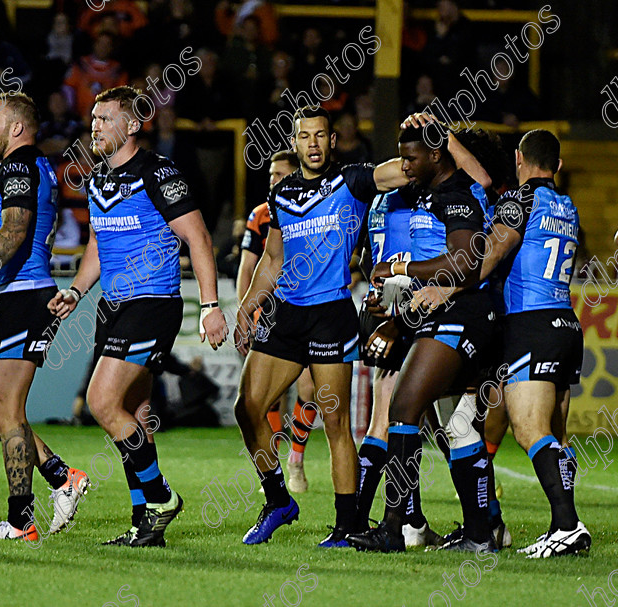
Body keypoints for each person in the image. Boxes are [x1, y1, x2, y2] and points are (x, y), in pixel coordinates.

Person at [48, 85, 228, 547]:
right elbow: (97, 245)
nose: (95, 127)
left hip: (152, 305)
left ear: (132, 125)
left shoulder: (158, 172)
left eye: (105, 119)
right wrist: (76, 290)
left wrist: (209, 306)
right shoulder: (97, 179)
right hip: (114, 306)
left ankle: (162, 496)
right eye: (93, 119)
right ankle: (144, 524)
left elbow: (199, 237)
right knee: (136, 413)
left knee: (102, 403)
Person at [233, 106, 407, 547]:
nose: (312, 143)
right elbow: (273, 260)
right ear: (295, 142)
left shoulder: (351, 180)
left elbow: (401, 172)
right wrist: (247, 306)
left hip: (330, 315)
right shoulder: (282, 193)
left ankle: (347, 526)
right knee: (247, 407)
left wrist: (434, 142)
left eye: (320, 136)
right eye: (304, 136)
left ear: (333, 141)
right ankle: (278, 500)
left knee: (335, 424)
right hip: (287, 313)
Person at [413, 129, 590, 557]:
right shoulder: (567, 207)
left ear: (519, 158)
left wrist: (446, 289)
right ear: (559, 166)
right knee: (551, 436)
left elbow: (491, 254)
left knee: (530, 431)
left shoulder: (519, 199)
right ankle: (541, 526)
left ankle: (567, 526)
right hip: (566, 324)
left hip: (529, 325)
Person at [346, 123, 497, 553]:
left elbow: (466, 265)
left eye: (410, 159)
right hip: (442, 316)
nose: (404, 167)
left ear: (436, 157)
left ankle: (394, 529)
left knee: (404, 405)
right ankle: (480, 535)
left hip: (466, 315)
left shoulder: (457, 196)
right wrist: (393, 311)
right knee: (457, 423)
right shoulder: (428, 196)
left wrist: (401, 272)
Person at [0, 92, 89, 541]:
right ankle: (61, 476)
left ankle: (20, 521)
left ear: (15, 128)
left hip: (25, 298)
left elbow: (14, 228)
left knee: (8, 410)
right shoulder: (31, 165)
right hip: (13, 296)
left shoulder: (16, 166)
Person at [236, 149, 316, 494]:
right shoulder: (260, 215)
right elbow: (248, 266)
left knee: (311, 389)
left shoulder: (314, 207)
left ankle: (296, 460)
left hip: (310, 307)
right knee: (267, 398)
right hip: (270, 310)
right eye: (270, 175)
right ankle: (277, 470)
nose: (273, 181)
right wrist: (245, 310)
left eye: (280, 175)